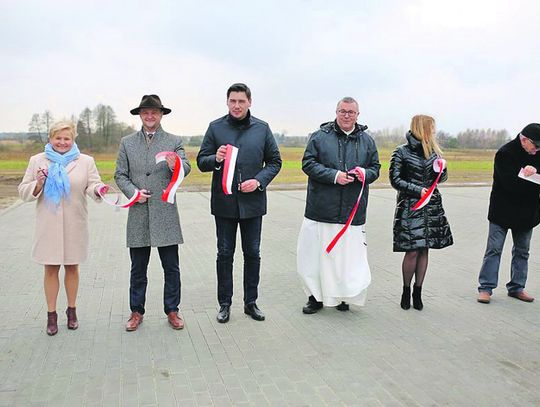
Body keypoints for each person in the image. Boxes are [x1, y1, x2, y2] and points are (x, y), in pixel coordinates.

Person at [197, 83, 282, 323]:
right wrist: (216, 158)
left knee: (252, 253)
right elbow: (202, 161)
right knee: (224, 254)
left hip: (253, 204)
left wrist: (258, 181)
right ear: (227, 102)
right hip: (224, 204)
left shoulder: (262, 129)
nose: (236, 105)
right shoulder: (215, 128)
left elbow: (275, 161)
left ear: (249, 102)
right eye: (232, 101)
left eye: (241, 101)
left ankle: (251, 303)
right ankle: (224, 304)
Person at [18, 121, 105, 335]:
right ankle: (51, 315)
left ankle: (72, 311)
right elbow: (23, 191)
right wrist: (38, 184)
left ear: (73, 140)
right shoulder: (37, 160)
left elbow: (92, 184)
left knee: (73, 268)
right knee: (50, 269)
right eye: (58, 138)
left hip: (75, 223)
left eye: (67, 138)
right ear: (50, 139)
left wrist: (99, 189)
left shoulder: (85, 161)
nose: (62, 142)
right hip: (48, 225)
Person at [297, 97, 380, 314]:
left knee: (346, 261)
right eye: (343, 111)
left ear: (357, 115)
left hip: (351, 212)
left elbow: (375, 168)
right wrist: (334, 176)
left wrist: (365, 174)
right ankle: (315, 297)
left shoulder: (367, 141)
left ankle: (343, 296)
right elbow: (308, 163)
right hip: (322, 210)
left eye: (351, 112)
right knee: (316, 257)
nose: (346, 115)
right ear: (336, 112)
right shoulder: (319, 137)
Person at [115, 94, 191, 331]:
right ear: (140, 115)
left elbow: (185, 167)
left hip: (165, 214)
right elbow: (120, 174)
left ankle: (172, 310)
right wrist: (133, 193)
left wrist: (174, 164)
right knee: (138, 268)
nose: (150, 116)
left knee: (171, 267)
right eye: (146, 112)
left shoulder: (174, 141)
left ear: (161, 115)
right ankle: (136, 311)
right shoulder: (127, 142)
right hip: (138, 213)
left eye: (154, 112)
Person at [389, 115, 453, 311]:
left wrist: (443, 170)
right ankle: (406, 290)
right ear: (423, 128)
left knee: (425, 249)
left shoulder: (434, 152)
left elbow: (440, 179)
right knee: (412, 250)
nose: (434, 131)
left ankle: (418, 292)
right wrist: (417, 190)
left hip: (431, 207)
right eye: (432, 127)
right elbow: (394, 179)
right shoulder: (401, 151)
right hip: (411, 206)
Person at [477, 123, 540, 304]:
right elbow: (509, 184)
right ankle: (486, 288)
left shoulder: (538, 153)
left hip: (527, 212)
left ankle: (517, 287)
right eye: (535, 146)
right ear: (525, 140)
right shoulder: (505, 153)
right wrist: (527, 175)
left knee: (522, 251)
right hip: (502, 211)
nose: (537, 150)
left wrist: (535, 173)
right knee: (494, 249)